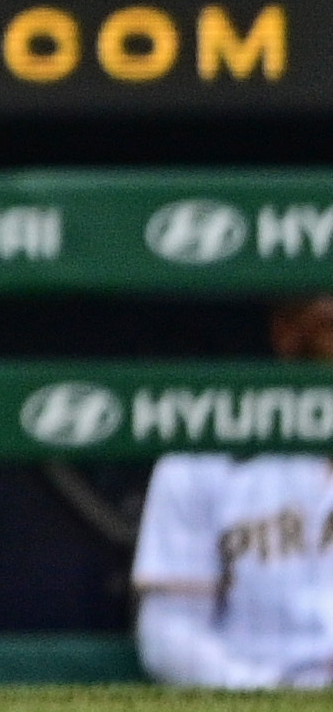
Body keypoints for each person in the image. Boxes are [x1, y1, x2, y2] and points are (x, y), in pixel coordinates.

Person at [134, 291, 333, 687]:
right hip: (265, 691)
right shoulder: (204, 455)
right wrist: (268, 692)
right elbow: (168, 633)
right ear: (286, 332)